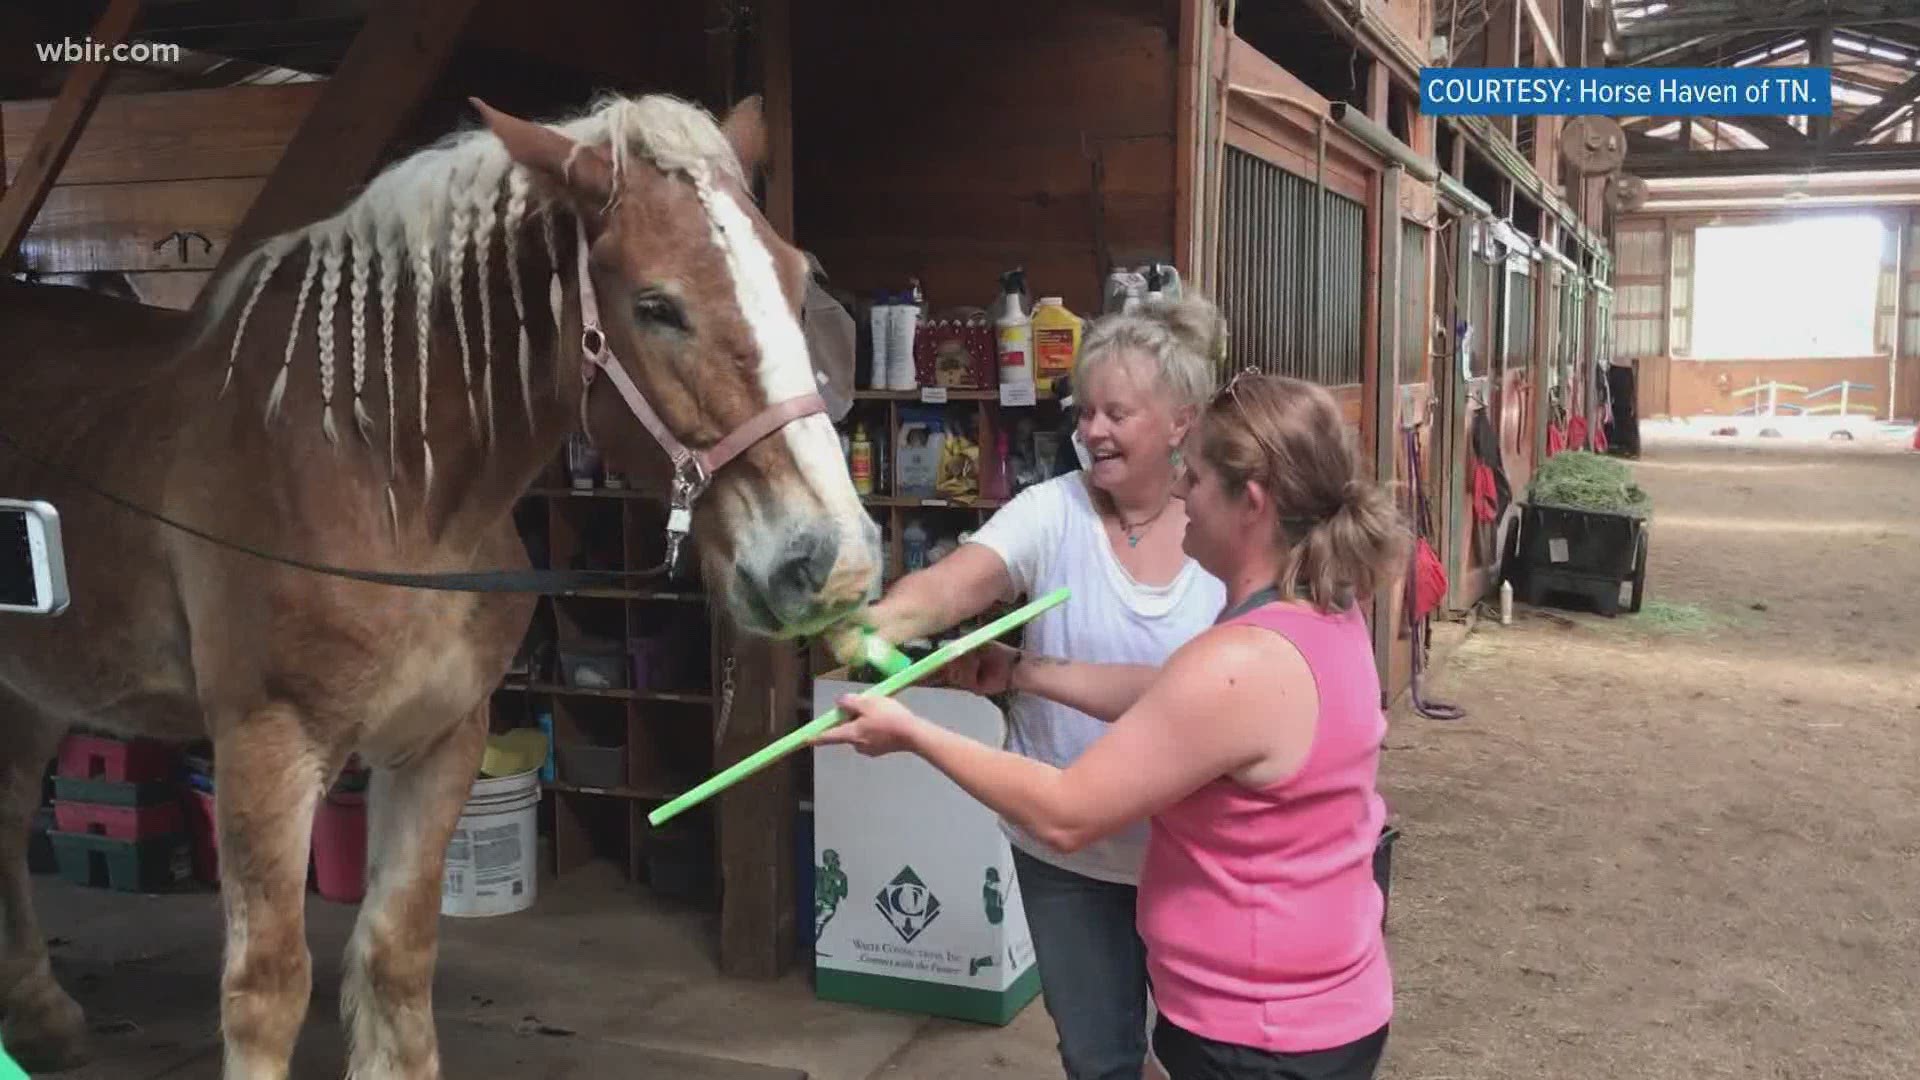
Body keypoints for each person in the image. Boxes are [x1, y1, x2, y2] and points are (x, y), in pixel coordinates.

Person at [817, 370, 1408, 1080]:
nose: (1181, 492)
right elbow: (1173, 700)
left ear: (1251, 502)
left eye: (1195, 477)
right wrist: (1025, 673)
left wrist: (913, 733)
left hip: (1259, 1039)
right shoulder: (1323, 612)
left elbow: (1068, 815)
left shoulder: (1240, 661)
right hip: (1320, 1009)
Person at [826, 298, 1229, 1080]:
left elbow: (1212, 691)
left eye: (1118, 413)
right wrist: (871, 624)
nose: (1093, 431)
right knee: (1097, 1057)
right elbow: (955, 585)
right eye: (1086, 411)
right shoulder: (1054, 511)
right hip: (1064, 854)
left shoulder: (1223, 528)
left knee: (1200, 1063)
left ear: (1181, 422)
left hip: (1197, 854)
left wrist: (1024, 671)